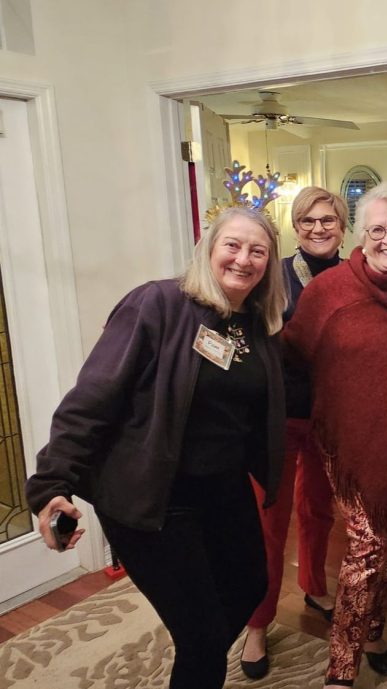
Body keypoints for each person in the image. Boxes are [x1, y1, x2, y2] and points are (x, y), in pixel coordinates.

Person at [25, 206, 287, 689]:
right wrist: (50, 485)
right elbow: (92, 397)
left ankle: (197, 656)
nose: (243, 259)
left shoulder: (255, 324)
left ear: (270, 264)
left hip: (222, 488)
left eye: (258, 250)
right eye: (232, 244)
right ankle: (200, 659)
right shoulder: (157, 304)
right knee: (204, 637)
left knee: (250, 583)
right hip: (153, 494)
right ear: (208, 249)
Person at [284, 181, 387, 688]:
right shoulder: (329, 291)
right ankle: (341, 669)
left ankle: (374, 629)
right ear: (362, 235)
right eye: (377, 229)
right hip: (346, 445)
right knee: (368, 548)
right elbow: (291, 355)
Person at [240, 186, 347, 679]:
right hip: (278, 416)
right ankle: (258, 623)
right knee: (270, 519)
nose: (319, 229)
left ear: (343, 226)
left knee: (318, 509)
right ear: (295, 227)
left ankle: (313, 585)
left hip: (331, 416)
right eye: (308, 221)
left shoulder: (355, 277)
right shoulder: (275, 275)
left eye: (328, 220)